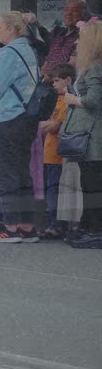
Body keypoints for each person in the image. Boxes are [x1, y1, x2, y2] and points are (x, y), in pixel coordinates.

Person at [0, 11, 42, 243]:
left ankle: (10, 228)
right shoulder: (29, 51)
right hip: (25, 119)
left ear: (12, 29)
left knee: (5, 175)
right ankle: (27, 227)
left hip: (5, 118)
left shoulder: (7, 53)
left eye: (1, 27)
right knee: (22, 174)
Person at [63, 20, 102, 246]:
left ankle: (94, 228)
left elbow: (94, 100)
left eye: (82, 37)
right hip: (90, 133)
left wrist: (73, 99)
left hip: (93, 135)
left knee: (92, 183)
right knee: (89, 182)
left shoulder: (95, 66)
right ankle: (88, 225)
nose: (77, 42)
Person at [40, 64, 77, 240]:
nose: (53, 84)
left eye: (57, 80)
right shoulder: (59, 100)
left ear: (68, 80)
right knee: (51, 189)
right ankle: (53, 224)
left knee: (56, 191)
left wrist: (45, 125)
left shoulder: (67, 101)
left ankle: (56, 226)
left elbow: (54, 125)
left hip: (58, 154)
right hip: (50, 153)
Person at [42, 0, 87, 78]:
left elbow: (71, 67)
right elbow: (46, 62)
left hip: (64, 85)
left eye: (74, 10)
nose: (69, 13)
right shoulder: (58, 35)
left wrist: (51, 77)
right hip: (46, 82)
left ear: (82, 14)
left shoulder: (82, 36)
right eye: (66, 9)